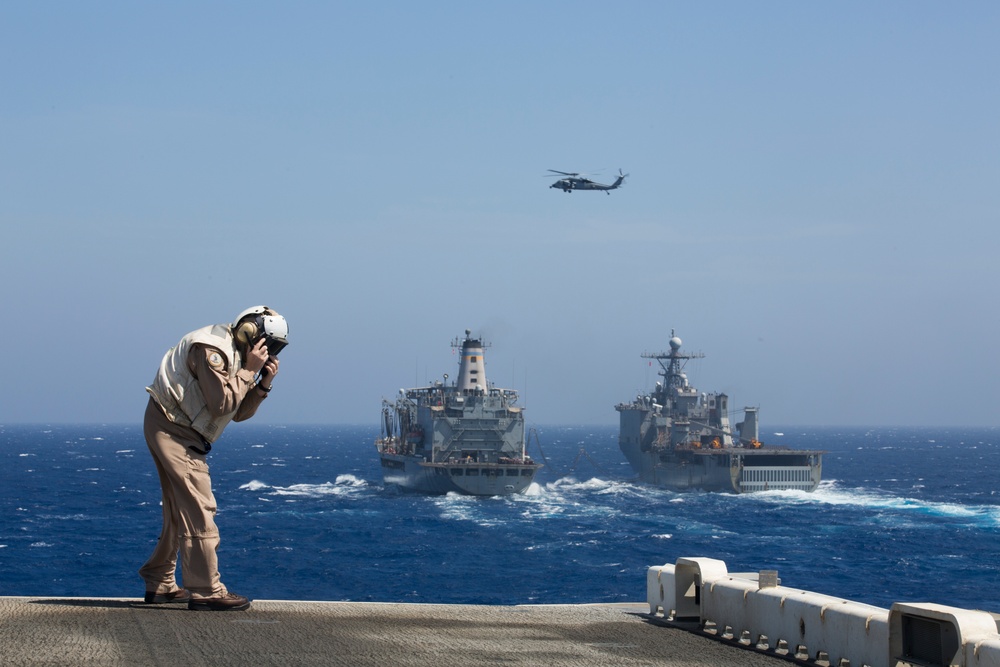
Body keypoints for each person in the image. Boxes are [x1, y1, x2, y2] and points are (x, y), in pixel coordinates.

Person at [139, 305, 288, 611]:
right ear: (249, 331)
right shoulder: (211, 350)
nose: (266, 351)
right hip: (173, 430)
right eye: (266, 343)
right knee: (199, 508)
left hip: (183, 432)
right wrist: (249, 370)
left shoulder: (238, 355)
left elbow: (238, 414)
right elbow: (221, 405)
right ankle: (206, 591)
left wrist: (262, 383)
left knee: (178, 511)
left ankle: (161, 582)